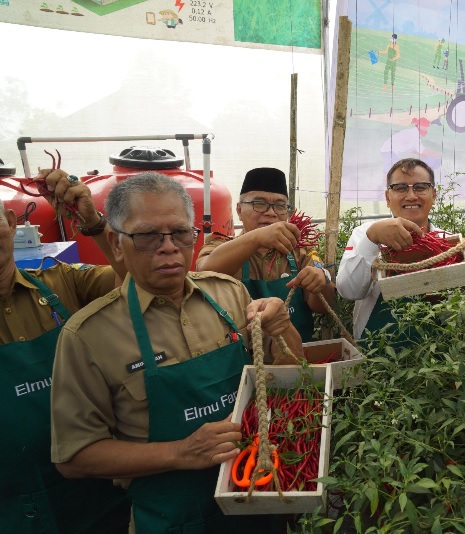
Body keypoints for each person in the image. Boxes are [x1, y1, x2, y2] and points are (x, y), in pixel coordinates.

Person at [50, 172, 303, 532]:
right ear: (116, 243)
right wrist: (180, 452)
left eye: (181, 233)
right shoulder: (88, 335)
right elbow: (74, 457)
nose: (168, 247)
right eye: (147, 235)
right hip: (172, 515)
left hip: (255, 491)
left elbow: (288, 374)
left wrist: (285, 328)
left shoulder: (229, 294)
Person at [0, 169, 131, 532]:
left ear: (11, 223)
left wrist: (90, 220)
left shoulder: (61, 282)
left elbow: (136, 276)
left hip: (96, 493)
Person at [196, 167, 334, 342]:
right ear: (239, 210)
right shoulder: (220, 246)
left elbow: (322, 307)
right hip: (242, 358)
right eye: (259, 204)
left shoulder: (299, 252)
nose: (271, 212)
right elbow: (204, 273)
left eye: (280, 205)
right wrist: (257, 238)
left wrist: (322, 281)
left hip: (294, 354)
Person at [336, 158, 443, 340]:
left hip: (436, 352)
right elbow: (348, 290)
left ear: (433, 194)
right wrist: (372, 239)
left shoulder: (445, 241)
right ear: (387, 197)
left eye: (420, 187)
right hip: (376, 353)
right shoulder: (364, 234)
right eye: (400, 188)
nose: (411, 196)